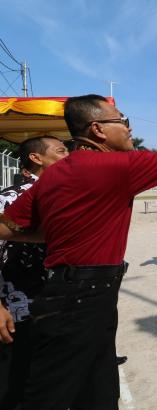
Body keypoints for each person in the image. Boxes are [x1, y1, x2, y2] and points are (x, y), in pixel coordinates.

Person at [0, 95, 157, 410]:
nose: (128, 127)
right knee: (47, 397)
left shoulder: (54, 174)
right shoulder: (117, 165)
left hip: (73, 294)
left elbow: (5, 228)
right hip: (82, 298)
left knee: (100, 389)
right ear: (97, 129)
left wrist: (59, 235)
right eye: (121, 120)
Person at [0, 136, 69, 409]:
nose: (69, 156)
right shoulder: (12, 197)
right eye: (62, 151)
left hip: (57, 303)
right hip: (18, 309)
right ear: (36, 158)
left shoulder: (65, 195)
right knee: (14, 384)